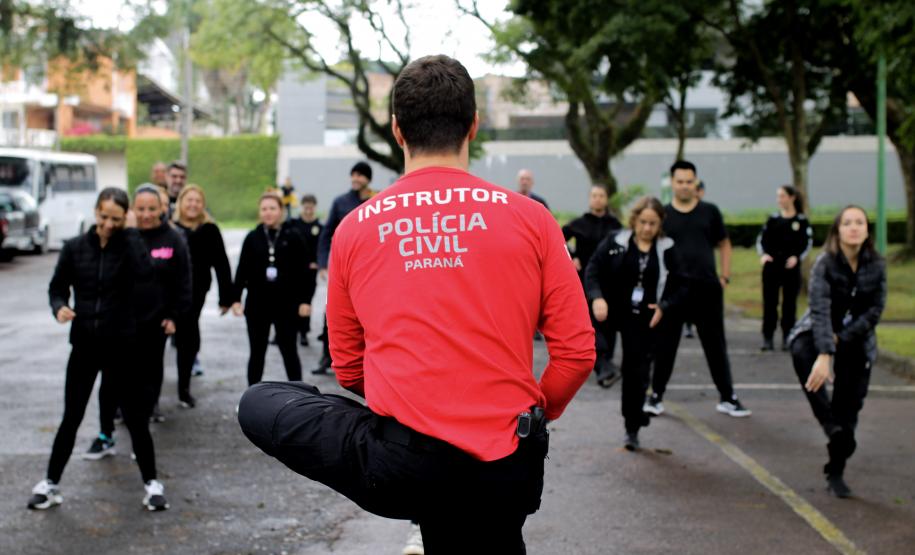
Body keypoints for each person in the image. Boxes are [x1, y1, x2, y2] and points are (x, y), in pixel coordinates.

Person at [237, 55, 595, 554]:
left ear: (397, 130)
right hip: (507, 462)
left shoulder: (355, 228)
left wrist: (410, 406)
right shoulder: (531, 218)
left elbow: (348, 366)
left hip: (404, 463)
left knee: (258, 401)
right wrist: (529, 417)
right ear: (473, 125)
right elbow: (576, 353)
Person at [29, 188, 168, 512]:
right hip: (84, 346)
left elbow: (147, 276)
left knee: (135, 418)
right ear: (95, 212)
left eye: (116, 219)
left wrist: (131, 233)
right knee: (72, 417)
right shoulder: (75, 248)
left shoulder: (129, 245)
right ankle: (50, 484)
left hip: (122, 346)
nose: (108, 224)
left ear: (124, 218)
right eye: (104, 217)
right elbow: (57, 287)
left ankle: (152, 484)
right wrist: (60, 306)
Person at [787, 205, 885, 498]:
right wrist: (825, 352)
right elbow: (819, 308)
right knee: (801, 351)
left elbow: (875, 310)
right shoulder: (824, 263)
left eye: (859, 222)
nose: (854, 227)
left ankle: (836, 469)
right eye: (847, 223)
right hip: (818, 331)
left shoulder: (877, 265)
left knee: (849, 409)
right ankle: (830, 425)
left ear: (867, 230)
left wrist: (842, 338)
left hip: (856, 340)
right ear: (837, 230)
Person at [645, 160, 751, 418]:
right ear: (672, 183)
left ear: (696, 183)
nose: (685, 186)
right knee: (665, 347)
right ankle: (655, 396)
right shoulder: (663, 215)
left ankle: (728, 397)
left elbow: (724, 243)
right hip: (673, 292)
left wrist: (724, 277)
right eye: (680, 181)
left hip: (707, 290)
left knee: (716, 347)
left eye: (689, 181)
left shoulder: (710, 211)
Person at [586, 196, 687, 451]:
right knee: (590, 334)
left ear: (660, 224)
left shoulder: (667, 248)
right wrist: (597, 297)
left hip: (643, 317)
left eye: (653, 224)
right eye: (643, 222)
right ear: (634, 220)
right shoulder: (616, 241)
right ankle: (604, 367)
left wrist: (664, 306)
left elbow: (683, 283)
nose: (647, 228)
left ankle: (632, 427)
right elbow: (593, 269)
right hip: (612, 309)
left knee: (637, 373)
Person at [96, 186, 192, 433]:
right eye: (140, 209)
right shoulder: (122, 236)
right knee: (121, 367)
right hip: (122, 318)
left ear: (162, 208)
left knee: (151, 366)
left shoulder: (173, 239)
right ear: (131, 210)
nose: (146, 214)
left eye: (152, 208)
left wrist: (174, 315)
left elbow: (183, 281)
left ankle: (150, 406)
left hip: (157, 318)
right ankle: (120, 408)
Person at [231, 193, 311, 385]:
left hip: (287, 305)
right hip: (257, 305)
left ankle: (300, 394)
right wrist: (236, 299)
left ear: (281, 211)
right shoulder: (252, 237)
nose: (268, 213)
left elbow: (304, 272)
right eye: (264, 209)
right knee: (257, 352)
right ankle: (252, 394)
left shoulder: (293, 236)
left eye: (272, 208)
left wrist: (305, 300)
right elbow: (242, 270)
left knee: (289, 350)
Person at [312, 161, 375, 374]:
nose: (355, 178)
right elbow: (326, 234)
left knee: (368, 314)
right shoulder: (340, 202)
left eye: (360, 175)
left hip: (369, 267)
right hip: (345, 267)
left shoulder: (376, 201)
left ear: (368, 179)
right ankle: (327, 356)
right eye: (353, 174)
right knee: (333, 313)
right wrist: (323, 264)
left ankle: (368, 358)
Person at [173, 185, 234, 407]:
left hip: (196, 291)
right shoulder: (170, 228)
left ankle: (184, 389)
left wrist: (226, 298)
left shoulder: (209, 230)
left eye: (197, 201)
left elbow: (221, 263)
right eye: (189, 200)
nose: (193, 205)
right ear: (180, 202)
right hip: (168, 293)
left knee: (188, 337)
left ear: (203, 205)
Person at [563, 184, 622, 387]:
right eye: (594, 195)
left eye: (601, 195)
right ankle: (603, 364)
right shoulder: (579, 223)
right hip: (585, 282)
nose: (598, 199)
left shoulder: (615, 225)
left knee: (608, 322)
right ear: (590, 199)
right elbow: (557, 238)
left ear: (606, 199)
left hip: (610, 282)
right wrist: (571, 256)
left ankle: (606, 362)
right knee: (591, 323)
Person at [757, 185, 812, 351]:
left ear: (792, 197)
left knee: (789, 304)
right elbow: (761, 240)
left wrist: (797, 257)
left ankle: (788, 336)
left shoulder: (801, 221)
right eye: (778, 196)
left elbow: (806, 243)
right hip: (771, 268)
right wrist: (764, 255)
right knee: (770, 303)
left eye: (782, 196)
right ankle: (768, 337)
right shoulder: (772, 220)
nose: (779, 200)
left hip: (790, 269)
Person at [288, 194, 322, 346]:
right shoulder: (294, 224)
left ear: (314, 208)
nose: (308, 211)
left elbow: (321, 248)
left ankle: (303, 332)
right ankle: (291, 329)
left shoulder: (318, 227)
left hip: (310, 270)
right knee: (292, 299)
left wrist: (317, 262)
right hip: (294, 269)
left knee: (306, 300)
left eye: (311, 208)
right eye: (306, 208)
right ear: (302, 207)